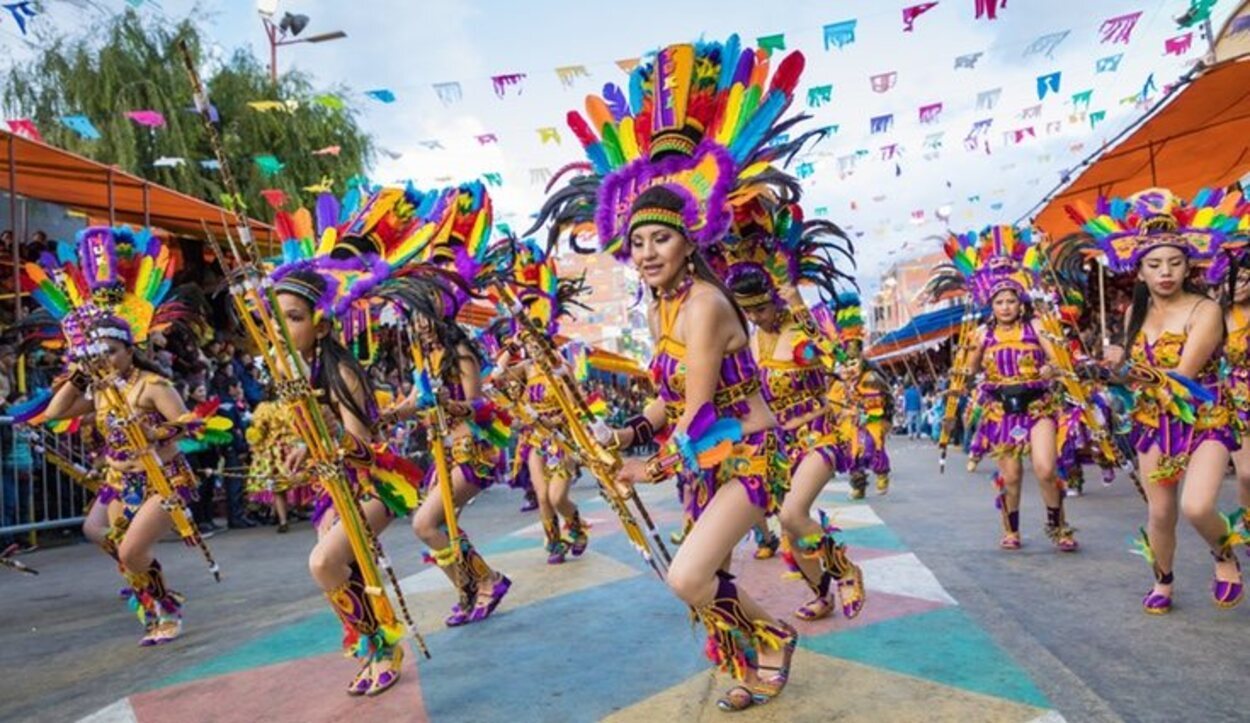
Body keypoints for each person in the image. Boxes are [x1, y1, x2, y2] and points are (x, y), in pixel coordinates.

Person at [534, 36, 809, 711]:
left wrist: (643, 468)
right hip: (709, 452)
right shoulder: (664, 310)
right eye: (638, 241)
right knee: (705, 573)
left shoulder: (708, 306)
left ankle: (775, 636)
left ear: (689, 240)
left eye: (661, 238)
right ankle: (746, 665)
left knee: (685, 573)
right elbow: (666, 401)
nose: (648, 250)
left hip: (749, 451)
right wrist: (624, 431)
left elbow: (698, 414)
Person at [1073, 188, 1243, 612]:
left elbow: (1183, 378)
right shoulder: (1135, 314)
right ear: (1140, 272)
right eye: (1154, 264)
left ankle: (1224, 555)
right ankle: (1163, 581)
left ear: (1188, 266)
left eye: (1174, 262)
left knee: (1197, 505)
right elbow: (1131, 381)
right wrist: (1094, 368)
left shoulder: (1205, 310)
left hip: (1204, 417)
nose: (1165, 271)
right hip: (1154, 422)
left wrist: (1126, 367)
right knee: (1160, 513)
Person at [722, 202, 866, 623]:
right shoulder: (751, 341)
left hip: (818, 435)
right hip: (779, 447)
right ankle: (821, 593)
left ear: (776, 298)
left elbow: (836, 357)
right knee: (791, 533)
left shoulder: (804, 324)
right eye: (748, 312)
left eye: (761, 309)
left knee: (791, 513)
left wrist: (795, 298)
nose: (756, 318)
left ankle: (845, 571)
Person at [946, 225, 1076, 552]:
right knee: (1012, 476)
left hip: (1038, 406)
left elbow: (1062, 361)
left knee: (1046, 468)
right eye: (999, 301)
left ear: (1020, 302)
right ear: (991, 303)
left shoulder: (1036, 327)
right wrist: (961, 375)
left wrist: (1051, 368)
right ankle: (1011, 529)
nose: (1005, 306)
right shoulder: (980, 335)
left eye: (1010, 300)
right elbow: (968, 372)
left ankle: (1058, 526)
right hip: (1000, 410)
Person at [1210, 242, 1250, 535]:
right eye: (1232, 279)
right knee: (1248, 474)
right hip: (1237, 399)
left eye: (1246, 279)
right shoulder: (1218, 317)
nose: (1238, 285)